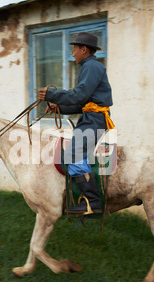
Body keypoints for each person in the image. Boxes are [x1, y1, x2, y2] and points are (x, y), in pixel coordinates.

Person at [38, 32, 115, 215]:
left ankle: (93, 202)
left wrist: (51, 95)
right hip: (91, 117)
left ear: (84, 49)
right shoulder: (90, 67)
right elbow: (83, 104)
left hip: (95, 120)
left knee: (72, 154)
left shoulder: (92, 67)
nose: (72, 54)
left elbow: (79, 94)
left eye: (74, 50)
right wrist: (60, 108)